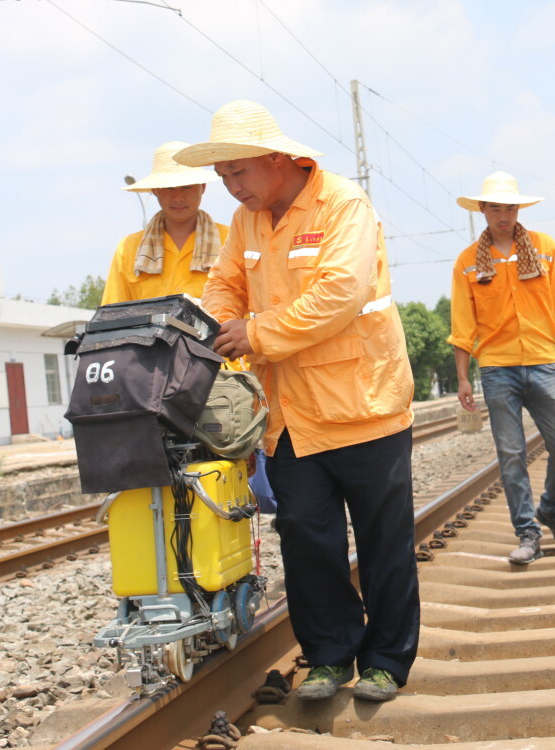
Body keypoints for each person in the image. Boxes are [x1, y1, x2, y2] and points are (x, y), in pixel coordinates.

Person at [176, 100, 419, 704]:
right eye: (224, 177)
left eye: (240, 173)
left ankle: (386, 660)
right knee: (308, 540)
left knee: (383, 540)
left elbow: (340, 291)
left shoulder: (342, 204)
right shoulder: (246, 220)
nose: (232, 187)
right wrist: (223, 322)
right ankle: (331, 657)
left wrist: (254, 333)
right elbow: (225, 284)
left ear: (279, 159)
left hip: (364, 406)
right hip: (287, 418)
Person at [448, 171, 555, 565]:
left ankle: (552, 509)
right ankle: (528, 532)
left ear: (518, 209)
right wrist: (462, 378)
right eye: (495, 207)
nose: (503, 215)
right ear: (483, 211)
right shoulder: (467, 263)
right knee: (510, 454)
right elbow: (463, 325)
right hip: (497, 368)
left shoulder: (544, 249)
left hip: (545, 360)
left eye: (509, 207)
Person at [101, 141, 227, 305]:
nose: (178, 197)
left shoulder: (231, 241)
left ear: (202, 188)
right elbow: (113, 315)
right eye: (169, 188)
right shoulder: (129, 248)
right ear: (155, 190)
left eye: (187, 187)